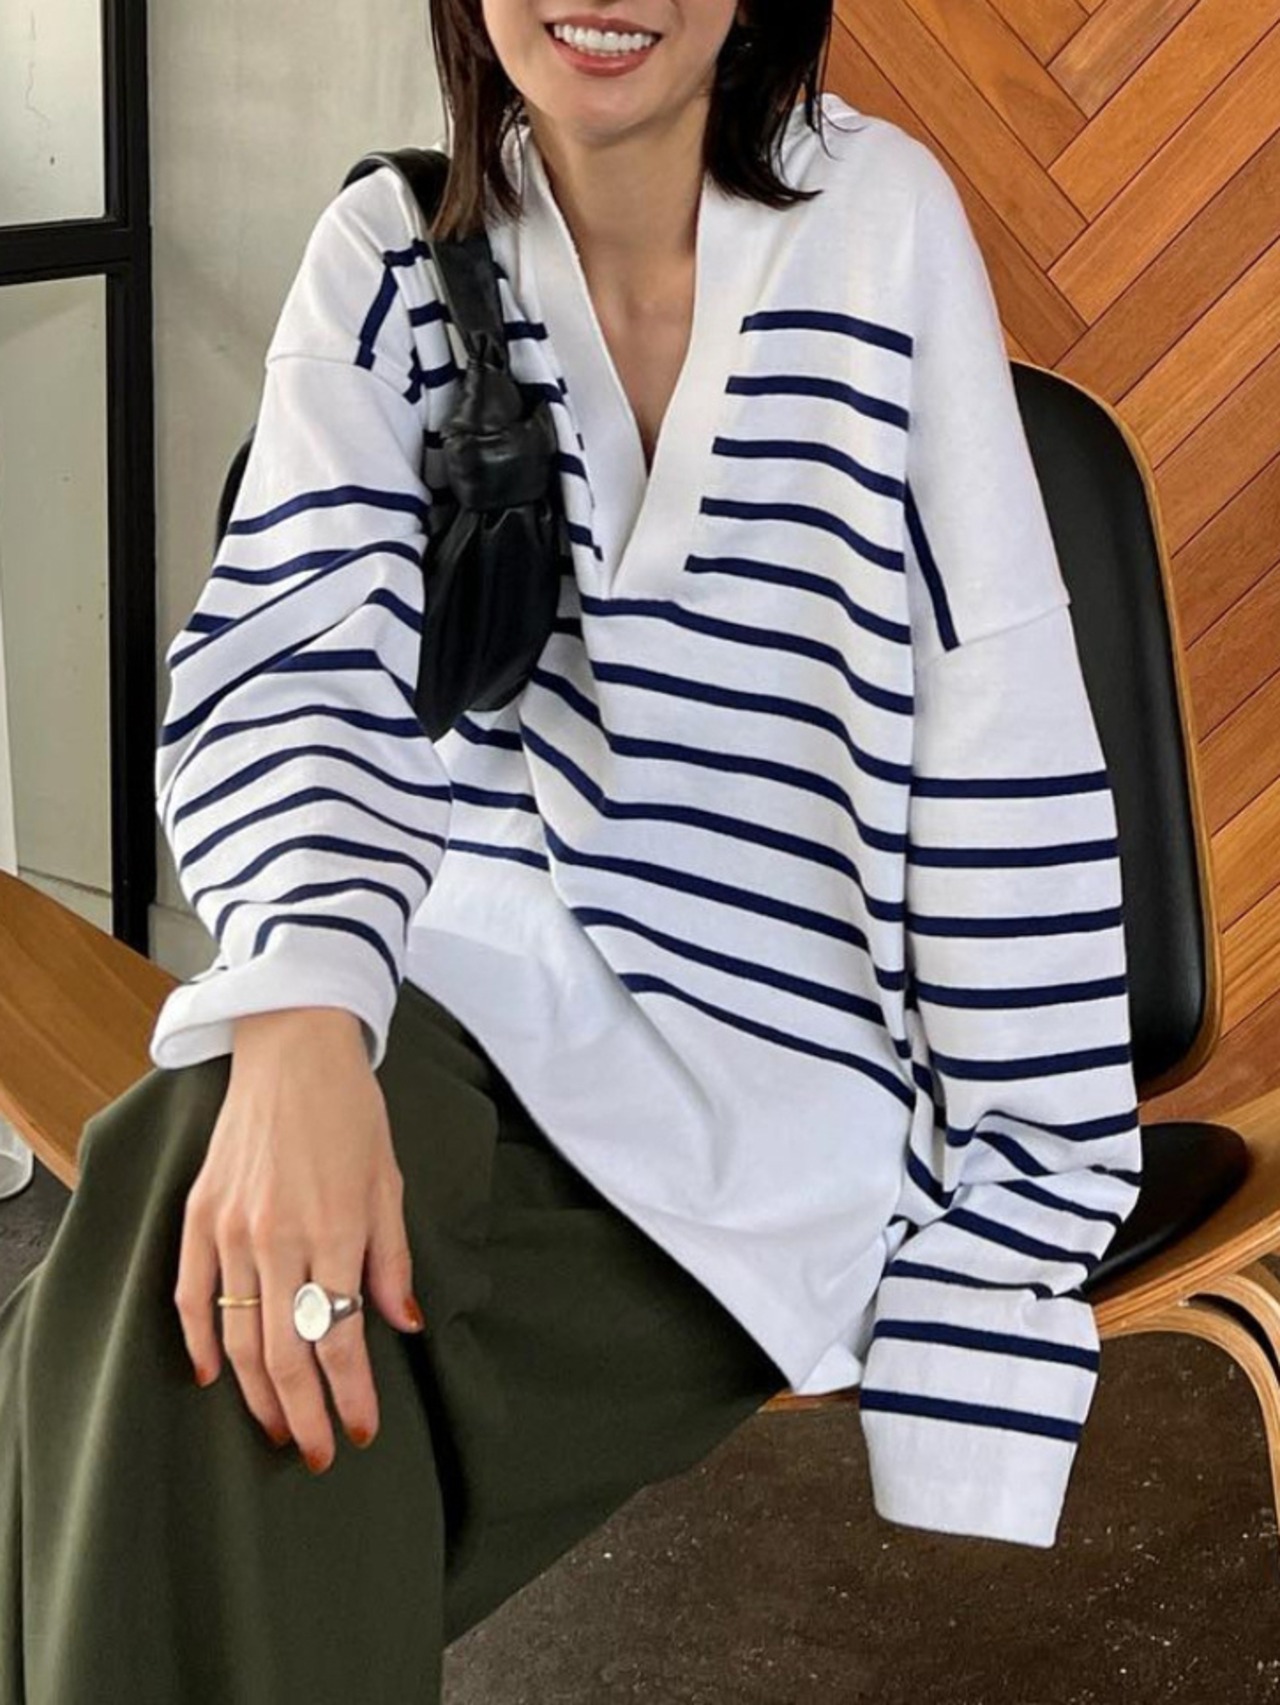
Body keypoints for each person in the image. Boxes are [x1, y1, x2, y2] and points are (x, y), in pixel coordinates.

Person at [0, 0, 1144, 1696]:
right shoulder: (391, 254)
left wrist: (1024, 1203)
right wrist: (303, 1015)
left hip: (777, 1086)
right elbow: (297, 670)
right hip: (470, 986)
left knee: (174, 1328)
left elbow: (999, 731)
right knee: (223, 1190)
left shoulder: (878, 230)